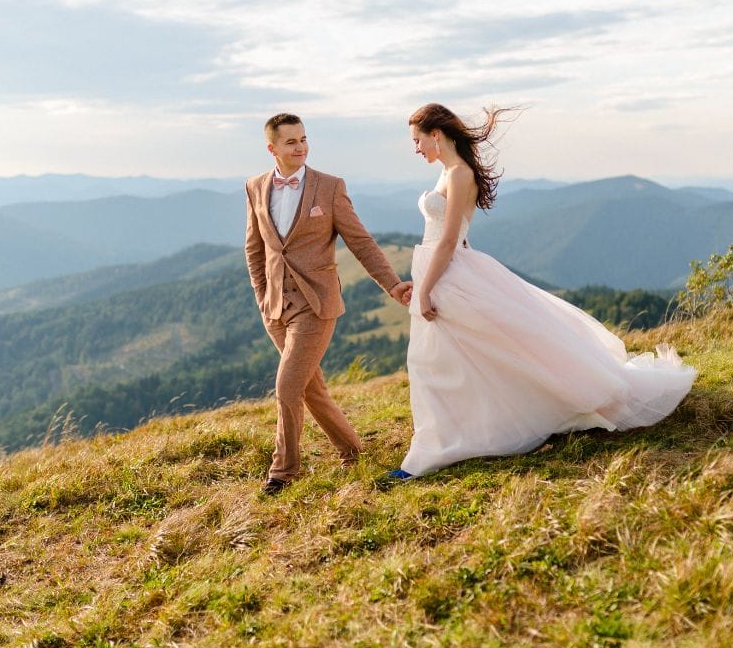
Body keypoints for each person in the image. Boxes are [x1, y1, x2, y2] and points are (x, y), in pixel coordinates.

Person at [387, 103, 697, 480]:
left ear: (435, 134)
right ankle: (446, 439)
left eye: (417, 140)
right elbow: (439, 239)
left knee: (437, 361)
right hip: (443, 272)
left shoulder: (458, 173)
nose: (415, 148)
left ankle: (432, 450)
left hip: (449, 272)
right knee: (444, 361)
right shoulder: (447, 172)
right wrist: (419, 281)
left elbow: (450, 239)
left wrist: (426, 290)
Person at [246, 113, 413, 495]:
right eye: (291, 142)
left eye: (304, 139)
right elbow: (254, 249)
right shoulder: (255, 187)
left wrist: (393, 285)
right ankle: (353, 452)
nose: (301, 147)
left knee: (287, 387)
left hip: (316, 305)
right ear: (272, 148)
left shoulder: (330, 187)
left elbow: (361, 242)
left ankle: (283, 472)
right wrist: (261, 296)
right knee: (310, 389)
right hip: (275, 307)